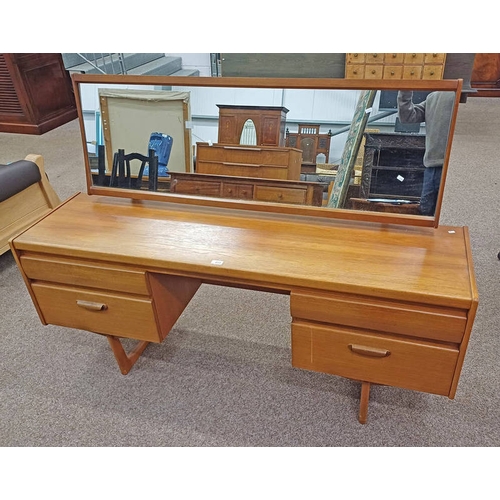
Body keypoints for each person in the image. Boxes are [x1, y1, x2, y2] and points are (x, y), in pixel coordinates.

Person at [397, 91, 455, 216]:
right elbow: (407, 116)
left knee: (445, 215)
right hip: (432, 168)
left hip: (452, 167)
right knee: (428, 214)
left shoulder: (461, 95)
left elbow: (407, 117)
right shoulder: (434, 97)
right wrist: (405, 91)